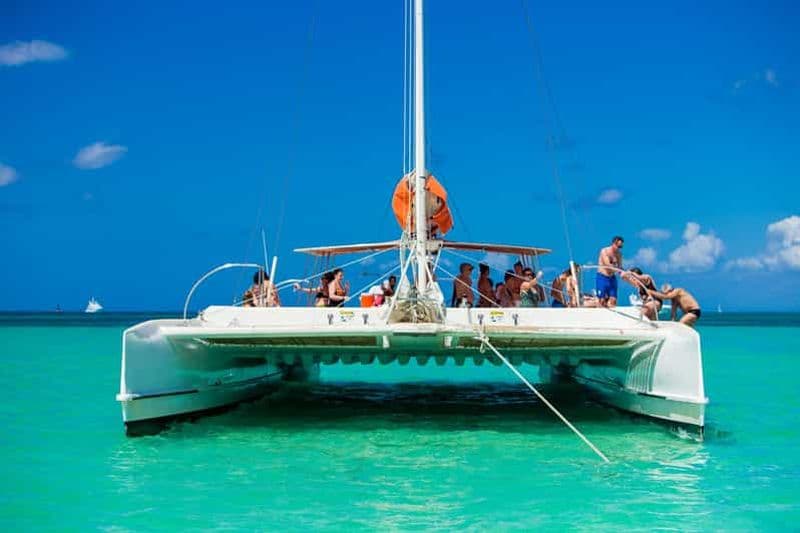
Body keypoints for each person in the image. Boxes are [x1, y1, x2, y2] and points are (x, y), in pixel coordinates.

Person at [596, 236, 624, 307]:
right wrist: (618, 269)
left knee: (613, 300)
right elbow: (607, 265)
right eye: (618, 246)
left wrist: (626, 274)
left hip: (612, 278)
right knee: (602, 300)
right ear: (613, 243)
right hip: (602, 277)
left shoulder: (619, 254)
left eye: (620, 247)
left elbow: (620, 267)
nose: (618, 248)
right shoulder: (604, 251)